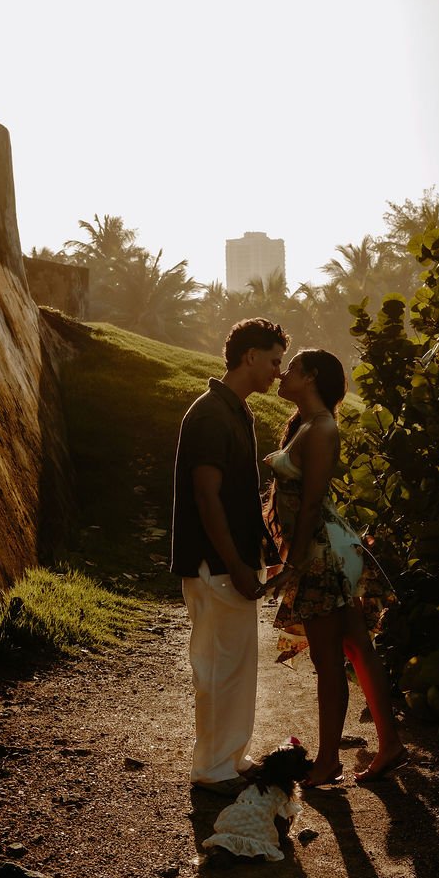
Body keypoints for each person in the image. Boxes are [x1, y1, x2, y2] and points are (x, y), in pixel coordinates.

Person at [264, 348, 407, 786]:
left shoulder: (322, 428)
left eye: (291, 369)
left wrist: (292, 561)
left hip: (322, 550)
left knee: (331, 659)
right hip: (324, 546)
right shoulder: (308, 426)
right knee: (355, 649)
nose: (282, 374)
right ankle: (389, 745)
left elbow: (311, 502)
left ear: (310, 377)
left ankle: (329, 761)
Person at [172, 318, 288, 793]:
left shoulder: (235, 411)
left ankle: (229, 759)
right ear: (250, 357)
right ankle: (212, 769)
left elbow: (238, 497)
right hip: (215, 564)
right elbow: (207, 495)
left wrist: (260, 552)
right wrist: (236, 564)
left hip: (232, 561)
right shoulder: (211, 415)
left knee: (236, 666)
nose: (278, 373)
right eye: (275, 361)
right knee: (218, 667)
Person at [201, 740, 311, 861]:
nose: (308, 763)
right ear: (288, 771)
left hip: (232, 824)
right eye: (301, 762)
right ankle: (251, 849)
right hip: (258, 834)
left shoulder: (255, 785)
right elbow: (281, 819)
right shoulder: (279, 793)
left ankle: (231, 848)